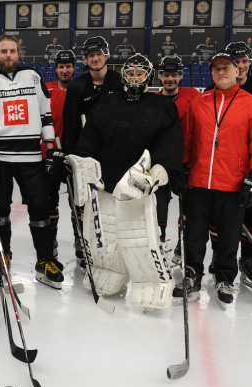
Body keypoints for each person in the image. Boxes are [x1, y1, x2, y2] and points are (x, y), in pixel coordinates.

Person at [70, 54, 183, 311]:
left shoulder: (162, 107)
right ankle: (110, 271)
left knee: (140, 239)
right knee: (104, 234)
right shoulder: (106, 103)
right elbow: (90, 139)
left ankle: (152, 282)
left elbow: (170, 146)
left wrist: (158, 174)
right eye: (130, 73)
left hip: (139, 188)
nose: (134, 78)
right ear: (123, 76)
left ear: (148, 77)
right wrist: (84, 169)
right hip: (106, 184)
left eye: (139, 74)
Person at [172, 52, 252, 309]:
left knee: (228, 235)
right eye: (217, 69)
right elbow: (188, 139)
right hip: (199, 180)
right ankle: (192, 274)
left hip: (232, 182)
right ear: (211, 73)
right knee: (193, 234)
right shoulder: (200, 101)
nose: (221, 72)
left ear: (237, 71)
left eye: (226, 68)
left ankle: (225, 279)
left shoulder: (251, 104)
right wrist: (181, 168)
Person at [0, 34, 62, 288]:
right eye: (3, 51)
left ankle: (45, 261)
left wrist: (50, 150)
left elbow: (45, 114)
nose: (8, 56)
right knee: (1, 213)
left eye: (12, 51)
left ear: (19, 53)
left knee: (41, 208)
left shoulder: (33, 77)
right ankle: (2, 260)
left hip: (30, 156)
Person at [203, 41, 252, 288]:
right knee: (220, 214)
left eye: (246, 61)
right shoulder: (212, 89)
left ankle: (248, 259)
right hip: (225, 167)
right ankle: (219, 256)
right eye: (238, 61)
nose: (242, 66)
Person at [61, 36, 124, 261]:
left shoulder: (119, 81)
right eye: (90, 56)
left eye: (98, 54)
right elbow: (69, 124)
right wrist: (69, 158)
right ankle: (81, 239)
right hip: (84, 154)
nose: (95, 58)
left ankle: (110, 240)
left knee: (111, 200)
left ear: (106, 55)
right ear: (86, 60)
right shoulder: (78, 86)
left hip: (114, 154)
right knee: (81, 201)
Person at [154, 55, 200, 257]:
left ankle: (183, 243)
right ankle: (160, 239)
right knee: (159, 205)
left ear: (180, 76)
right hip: (161, 162)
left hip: (186, 162)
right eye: (166, 75)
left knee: (187, 207)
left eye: (173, 75)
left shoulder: (192, 95)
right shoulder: (153, 100)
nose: (169, 79)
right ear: (160, 77)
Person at [41, 50, 75, 267]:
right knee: (50, 200)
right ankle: (51, 239)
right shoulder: (47, 90)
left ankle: (81, 243)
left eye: (68, 66)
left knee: (77, 202)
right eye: (61, 66)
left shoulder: (80, 88)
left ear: (74, 68)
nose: (64, 70)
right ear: (56, 69)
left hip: (74, 155)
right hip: (50, 155)